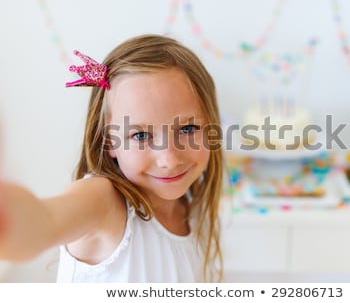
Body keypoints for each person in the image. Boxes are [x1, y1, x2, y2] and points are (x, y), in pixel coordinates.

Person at [0, 34, 224, 282]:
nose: (169, 159)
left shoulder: (191, 206)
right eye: (140, 135)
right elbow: (43, 222)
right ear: (109, 142)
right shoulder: (104, 204)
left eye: (187, 130)